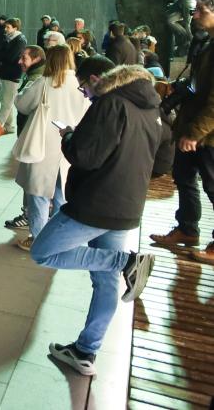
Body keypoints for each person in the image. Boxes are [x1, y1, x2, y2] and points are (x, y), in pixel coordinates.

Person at [31, 63, 169, 376]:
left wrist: (68, 137)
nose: (83, 93)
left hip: (96, 202)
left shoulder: (110, 104)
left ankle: (125, 261)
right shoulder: (152, 108)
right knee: (105, 281)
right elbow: (163, 159)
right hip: (128, 205)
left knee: (43, 252)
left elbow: (85, 156)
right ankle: (85, 351)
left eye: (83, 87)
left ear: (97, 80)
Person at [151, 0, 214, 263]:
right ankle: (187, 229)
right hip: (194, 128)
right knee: (184, 178)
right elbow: (195, 86)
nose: (195, 15)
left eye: (202, 11)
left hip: (206, 135)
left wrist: (194, 133)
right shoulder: (207, 45)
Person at [12, 45, 90, 250]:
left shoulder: (44, 82)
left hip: (43, 142)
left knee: (37, 193)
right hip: (69, 142)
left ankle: (37, 238)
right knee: (60, 193)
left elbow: (22, 104)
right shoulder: (79, 84)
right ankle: (56, 239)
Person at [1, 45, 46, 231]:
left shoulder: (36, 79)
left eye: (24, 58)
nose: (20, 61)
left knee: (31, 179)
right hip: (31, 134)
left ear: (36, 59)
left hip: (32, 135)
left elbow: (22, 104)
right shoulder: (35, 75)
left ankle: (30, 217)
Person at [0, 17, 27, 134]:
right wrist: (2, 55)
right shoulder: (8, 38)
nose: (5, 29)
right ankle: (9, 126)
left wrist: (2, 55)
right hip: (5, 72)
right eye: (5, 26)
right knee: (4, 100)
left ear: (15, 28)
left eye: (8, 27)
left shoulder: (20, 40)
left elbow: (11, 57)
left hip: (13, 74)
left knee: (7, 102)